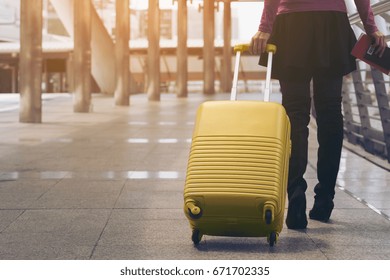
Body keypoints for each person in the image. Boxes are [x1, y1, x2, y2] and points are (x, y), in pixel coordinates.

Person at [249, 0, 387, 230]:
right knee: (330, 112)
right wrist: (371, 27)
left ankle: (295, 193)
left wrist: (265, 26)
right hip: (331, 23)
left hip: (291, 23)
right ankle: (324, 200)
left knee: (294, 113)